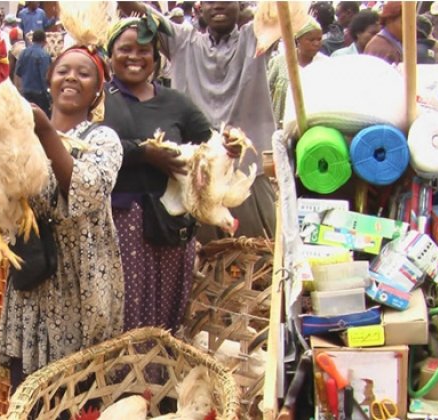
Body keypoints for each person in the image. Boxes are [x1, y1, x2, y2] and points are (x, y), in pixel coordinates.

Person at [0, 42, 125, 389]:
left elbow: (87, 191)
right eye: (64, 70)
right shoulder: (21, 136)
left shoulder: (103, 139)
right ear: (50, 77)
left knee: (76, 387)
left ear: (98, 90)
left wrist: (45, 131)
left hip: (81, 280)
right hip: (34, 276)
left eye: (85, 74)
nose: (72, 78)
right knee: (30, 388)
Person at [119, 1, 278, 241]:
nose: (219, 6)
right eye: (211, 2)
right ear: (199, 8)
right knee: (200, 262)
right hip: (193, 177)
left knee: (257, 259)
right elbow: (145, 13)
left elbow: (282, 11)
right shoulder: (183, 41)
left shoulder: (256, 36)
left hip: (247, 176)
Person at [101, 15, 219, 337]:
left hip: (169, 223)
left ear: (156, 58)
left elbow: (209, 142)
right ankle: (125, 382)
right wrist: (144, 152)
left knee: (166, 309)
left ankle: (159, 378)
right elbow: (85, 148)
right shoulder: (100, 100)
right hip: (119, 222)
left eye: (144, 50)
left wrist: (225, 149)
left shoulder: (175, 102)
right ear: (110, 54)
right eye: (125, 49)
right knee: (126, 308)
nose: (135, 57)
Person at [268, 17, 328, 128]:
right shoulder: (279, 62)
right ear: (298, 39)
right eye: (311, 40)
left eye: (319, 39)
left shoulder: (325, 64)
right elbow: (267, 91)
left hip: (311, 125)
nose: (316, 43)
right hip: (279, 125)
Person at [15, 29, 52, 115]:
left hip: (26, 92)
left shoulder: (23, 53)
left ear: (32, 40)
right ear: (44, 41)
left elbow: (18, 73)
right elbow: (45, 77)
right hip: (40, 95)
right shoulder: (44, 55)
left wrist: (20, 91)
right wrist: (49, 96)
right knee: (43, 119)